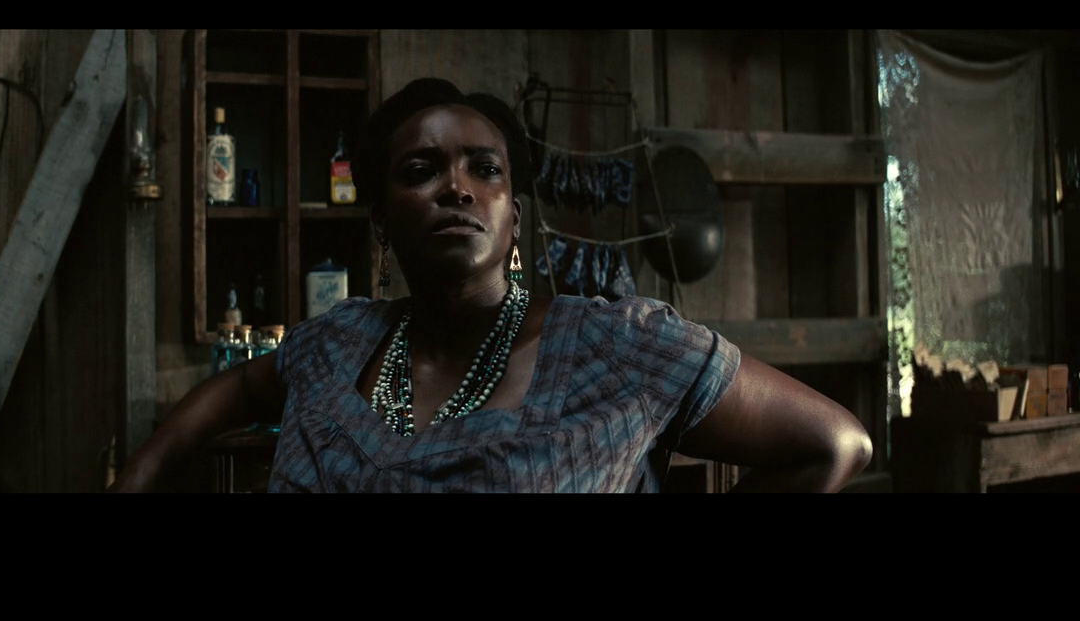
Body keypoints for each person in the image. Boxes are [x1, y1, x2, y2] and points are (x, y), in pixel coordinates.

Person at [110, 78, 872, 493]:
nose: (457, 187)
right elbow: (241, 388)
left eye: (485, 169)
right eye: (421, 171)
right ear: (381, 223)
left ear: (514, 219)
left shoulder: (616, 347)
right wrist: (140, 472)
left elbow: (835, 444)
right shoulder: (339, 345)